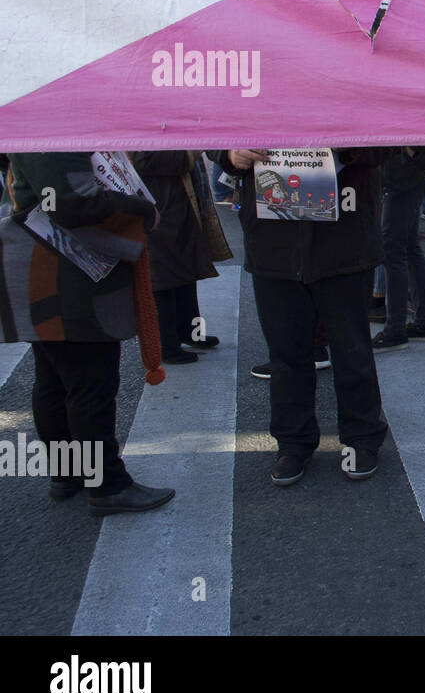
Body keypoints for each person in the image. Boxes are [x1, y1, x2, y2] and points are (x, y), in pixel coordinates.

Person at [4, 152, 175, 515]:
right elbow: (71, 201)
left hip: (48, 265)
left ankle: (70, 473)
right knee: (88, 385)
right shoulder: (53, 130)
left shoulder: (33, 126)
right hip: (67, 273)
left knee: (56, 381)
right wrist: (142, 210)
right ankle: (108, 485)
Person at [215, 148, 392, 487]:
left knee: (352, 349)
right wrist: (229, 155)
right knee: (286, 353)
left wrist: (349, 145)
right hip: (273, 242)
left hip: (345, 239)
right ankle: (293, 443)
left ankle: (362, 438)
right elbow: (212, 130)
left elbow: (390, 140)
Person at [131, 151, 228, 365]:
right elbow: (143, 159)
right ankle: (166, 346)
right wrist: (188, 154)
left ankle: (191, 332)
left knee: (186, 275)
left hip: (177, 199)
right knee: (163, 280)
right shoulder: (140, 132)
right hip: (158, 204)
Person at [373, 147, 425, 351]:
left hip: (403, 172)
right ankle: (423, 322)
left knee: (393, 251)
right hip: (411, 169)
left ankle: (396, 330)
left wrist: (410, 152)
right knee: (409, 248)